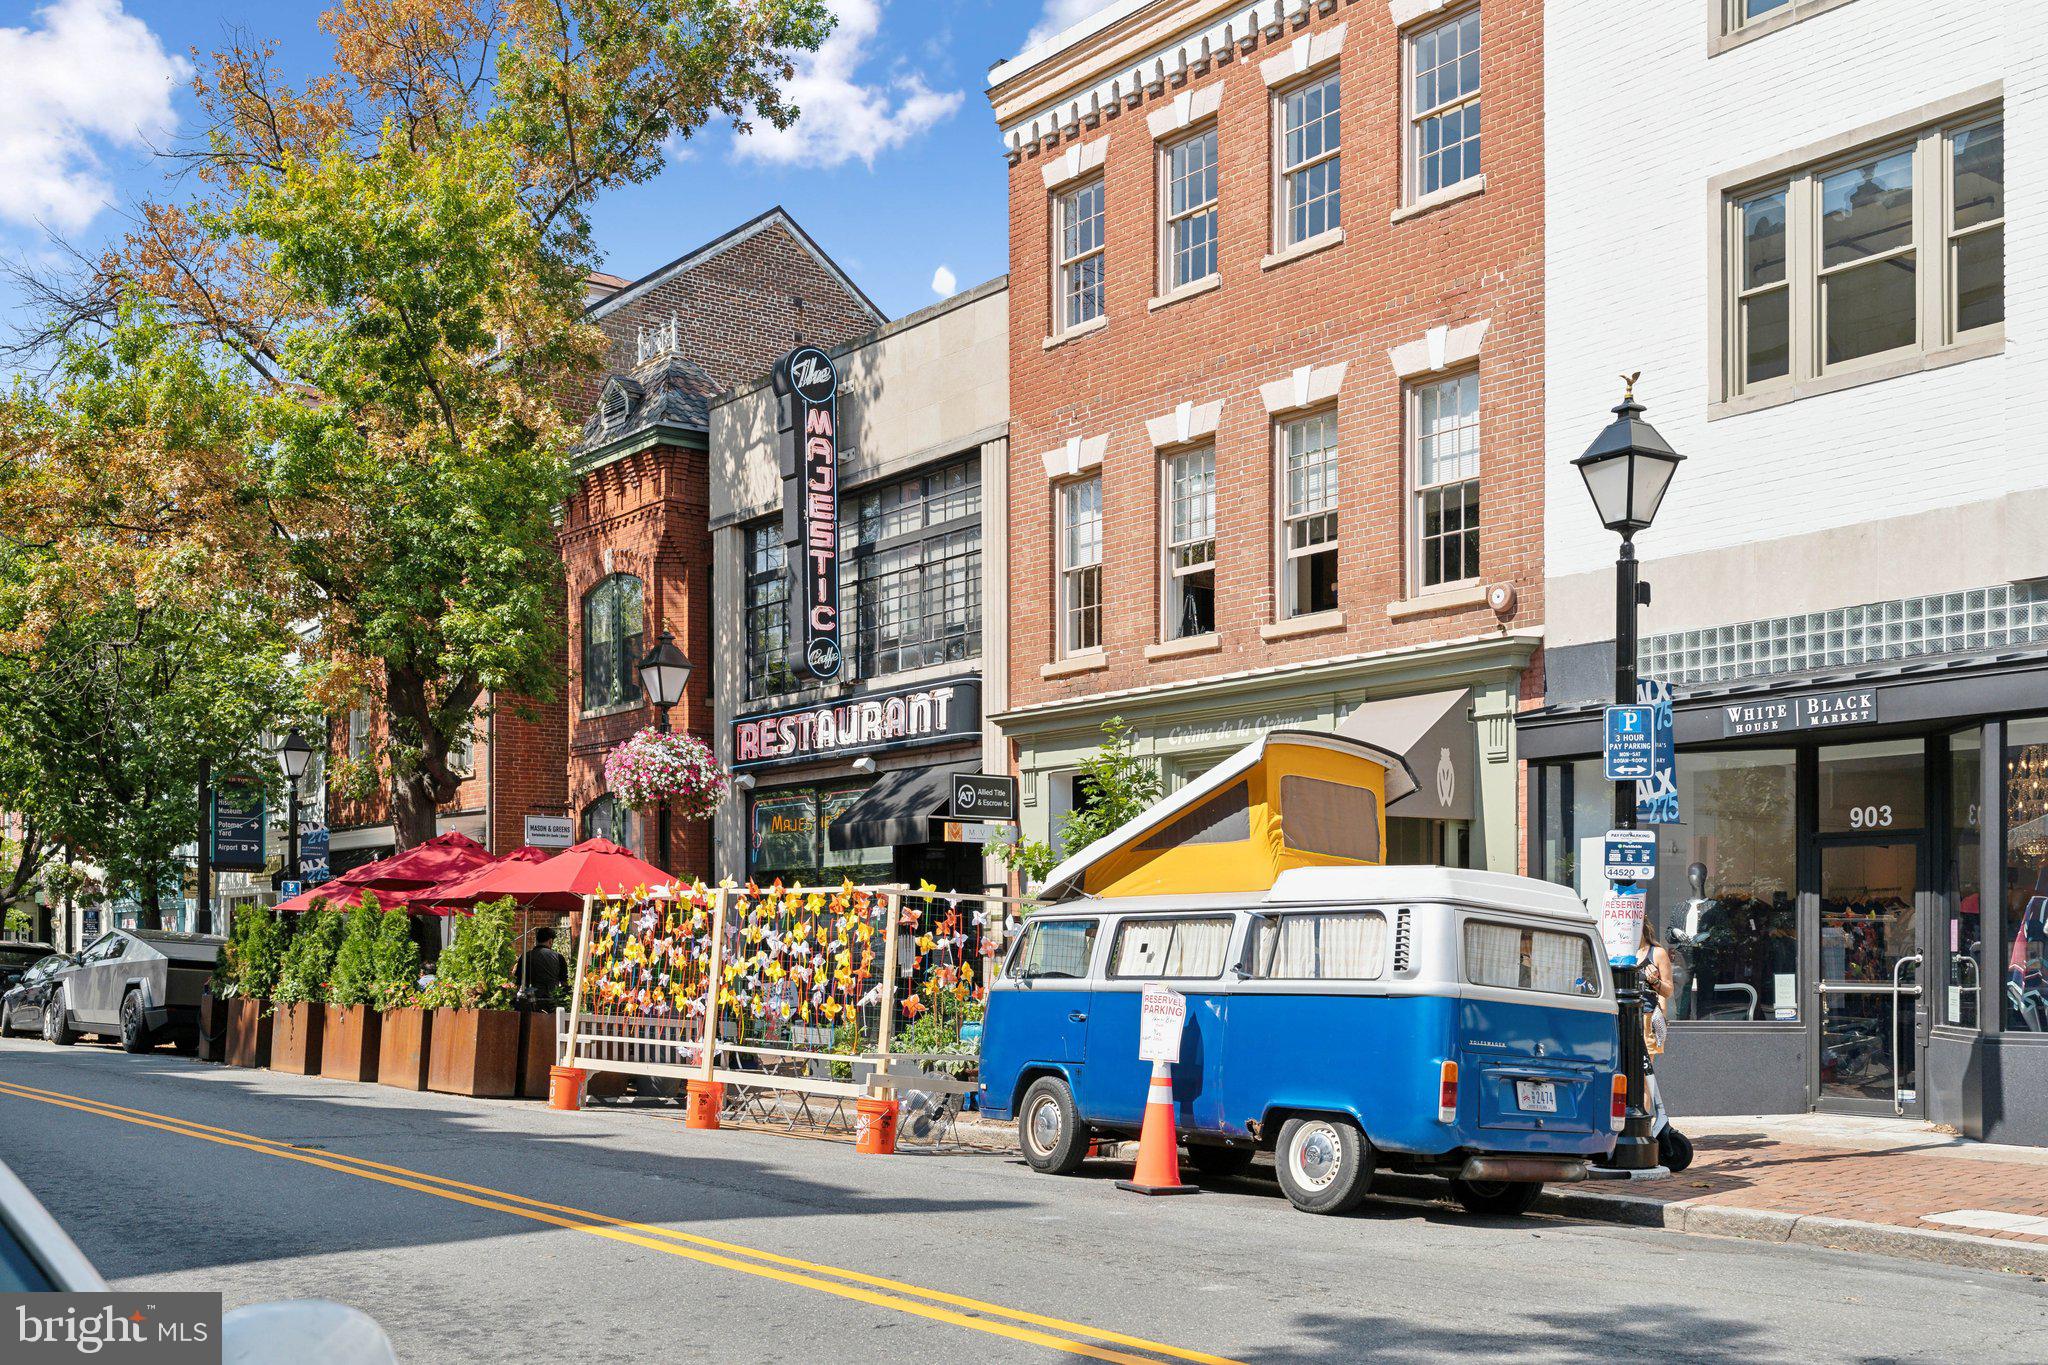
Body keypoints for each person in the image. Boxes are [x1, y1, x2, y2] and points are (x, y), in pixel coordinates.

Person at [520, 927, 569, 1007]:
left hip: (530, 1000)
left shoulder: (526, 956)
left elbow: (519, 982)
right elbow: (564, 983)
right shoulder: (559, 957)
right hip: (552, 1001)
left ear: (537, 940)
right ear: (550, 941)